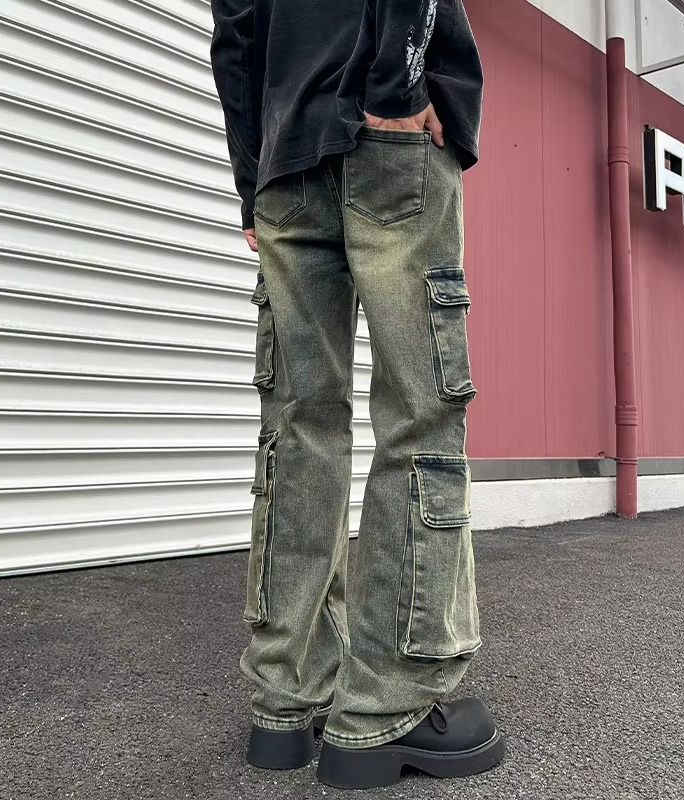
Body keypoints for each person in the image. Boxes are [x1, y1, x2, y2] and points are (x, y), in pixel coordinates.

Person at [210, 0, 504, 789]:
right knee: (420, 417)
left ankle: (286, 699)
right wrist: (399, 86)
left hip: (283, 160)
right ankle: (386, 709)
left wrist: (251, 179)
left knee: (297, 426)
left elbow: (236, 28)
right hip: (384, 136)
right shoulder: (392, 102)